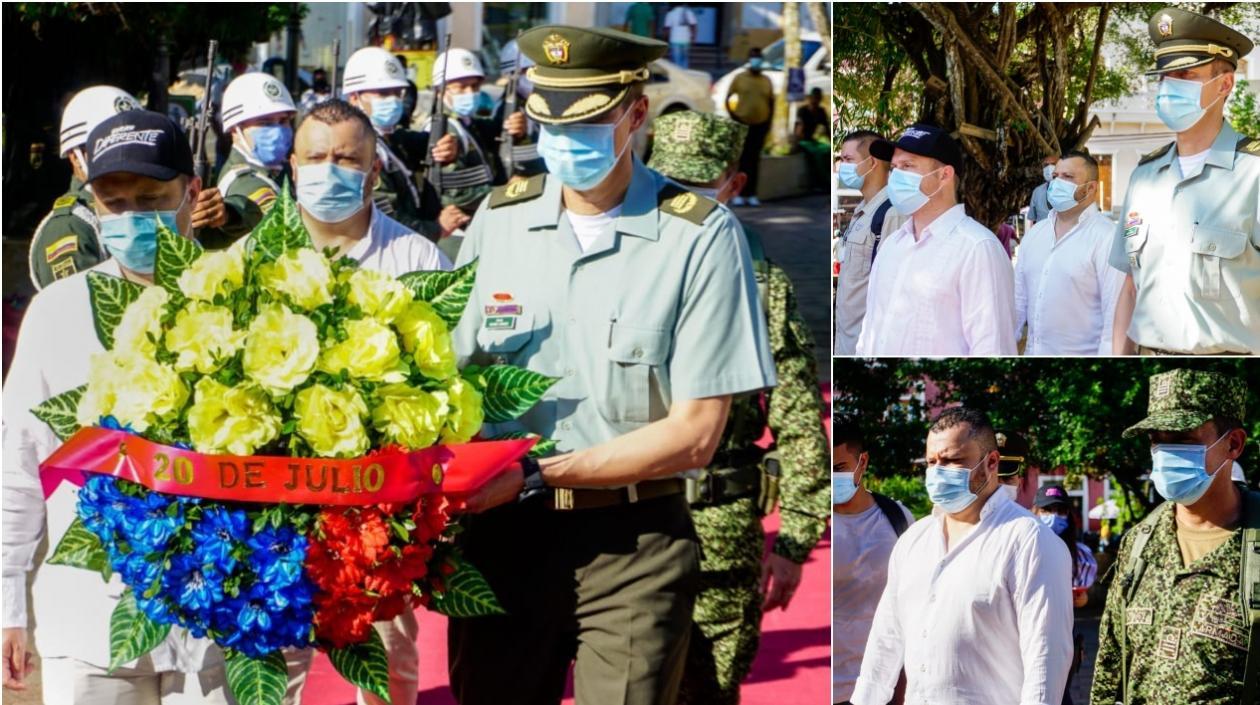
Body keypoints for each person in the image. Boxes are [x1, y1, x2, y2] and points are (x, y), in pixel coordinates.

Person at [445, 25, 775, 705]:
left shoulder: (700, 237)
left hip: (634, 545)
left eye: (588, 122)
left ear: (635, 114)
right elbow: (444, 379)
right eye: (548, 121)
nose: (565, 141)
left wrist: (537, 474)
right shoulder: (498, 221)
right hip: (502, 542)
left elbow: (696, 433)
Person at [2, 110, 312, 704]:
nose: (131, 218)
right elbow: (16, 467)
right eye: (114, 204)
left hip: (223, 629)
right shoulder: (58, 312)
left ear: (192, 194)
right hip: (90, 617)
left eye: (151, 198)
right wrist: (7, 603)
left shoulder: (252, 305)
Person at [647, 109, 830, 705]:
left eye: (697, 186)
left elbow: (800, 422)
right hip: (618, 531)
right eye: (668, 185)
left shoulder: (759, 283)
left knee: (710, 689)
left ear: (732, 186)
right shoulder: (611, 271)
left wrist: (797, 542)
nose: (681, 202)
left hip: (717, 535)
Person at [288, 98, 449, 705]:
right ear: (293, 167)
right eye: (316, 158)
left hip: (381, 511)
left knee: (388, 661)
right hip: (280, 505)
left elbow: (445, 381)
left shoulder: (417, 260)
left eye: (346, 158)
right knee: (271, 660)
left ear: (375, 170)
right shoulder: (253, 262)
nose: (330, 170)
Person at [852, 407, 1074, 705]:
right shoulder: (914, 541)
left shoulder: (1028, 541)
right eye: (932, 462)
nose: (938, 472)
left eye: (953, 460)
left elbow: (1046, 660)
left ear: (991, 462)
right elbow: (885, 640)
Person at [1091, 368, 1257, 704]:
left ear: (1233, 444)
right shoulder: (1139, 544)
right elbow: (1109, 671)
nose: (1165, 454)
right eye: (1156, 440)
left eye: (1183, 439)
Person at [1110, 7, 1259, 355]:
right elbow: (1131, 287)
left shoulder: (1252, 174)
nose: (1168, 87)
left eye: (1186, 75)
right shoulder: (1144, 177)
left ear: (1224, 84)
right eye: (1164, 77)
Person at [855, 124, 1017, 356]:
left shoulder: (977, 249)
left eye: (908, 166)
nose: (897, 176)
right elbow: (870, 331)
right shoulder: (892, 245)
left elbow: (992, 347)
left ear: (944, 175)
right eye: (894, 168)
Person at [342, 46, 461, 244]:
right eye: (383, 93)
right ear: (355, 98)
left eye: (398, 93)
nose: (394, 100)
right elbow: (386, 217)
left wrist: (450, 146)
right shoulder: (359, 149)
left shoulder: (390, 137)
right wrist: (437, 228)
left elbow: (428, 142)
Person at [830, 421, 913, 705]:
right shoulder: (810, 528)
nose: (830, 477)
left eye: (838, 468)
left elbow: (912, 612)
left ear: (862, 461)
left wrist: (902, 692)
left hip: (880, 689)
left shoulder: (899, 519)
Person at [28, 85, 141, 289]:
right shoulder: (70, 227)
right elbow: (82, 312)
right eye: (107, 146)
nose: (126, 156)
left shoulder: (141, 208)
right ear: (75, 156)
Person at [1014, 151, 1124, 355]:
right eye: (1056, 176)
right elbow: (1018, 302)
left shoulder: (1107, 238)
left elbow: (1115, 318)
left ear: (1090, 188)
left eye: (1068, 177)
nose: (1057, 184)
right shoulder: (1035, 235)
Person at [832, 129, 905, 356]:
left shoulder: (892, 213)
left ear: (872, 162)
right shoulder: (862, 211)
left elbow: (893, 290)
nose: (840, 166)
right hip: (846, 338)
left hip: (866, 345)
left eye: (848, 159)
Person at [214, 72, 297, 246]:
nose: (278, 130)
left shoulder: (278, 169)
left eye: (283, 120)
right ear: (235, 129)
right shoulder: (244, 181)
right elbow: (287, 230)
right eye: (265, 123)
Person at [1032, 484, 1096, 705]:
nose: (1054, 516)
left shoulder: (1079, 553)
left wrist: (1080, 598)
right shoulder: (1021, 546)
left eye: (1060, 511)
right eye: (1047, 510)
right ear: (1035, 512)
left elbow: (1082, 597)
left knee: (1060, 695)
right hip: (1023, 636)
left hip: (1061, 638)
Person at [420, 48, 496, 220]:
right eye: (461, 87)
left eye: (475, 86)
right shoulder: (445, 128)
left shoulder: (468, 122)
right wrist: (503, 194)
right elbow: (457, 194)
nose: (469, 93)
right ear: (440, 90)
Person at [727, 47, 774, 207]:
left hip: (760, 126)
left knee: (754, 161)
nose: (756, 61)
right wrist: (735, 118)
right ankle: (737, 194)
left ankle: (752, 193)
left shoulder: (766, 80)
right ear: (749, 59)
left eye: (758, 58)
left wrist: (768, 124)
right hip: (742, 124)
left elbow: (771, 102)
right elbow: (728, 98)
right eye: (753, 57)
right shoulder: (739, 78)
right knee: (741, 160)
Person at [492, 39, 544, 182]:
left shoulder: (542, 102)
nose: (535, 77)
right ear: (511, 75)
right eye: (527, 71)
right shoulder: (504, 110)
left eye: (540, 70)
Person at [795, 88, 830, 191]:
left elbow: (826, 128)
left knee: (826, 149)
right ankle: (819, 183)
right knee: (816, 154)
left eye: (818, 98)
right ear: (810, 98)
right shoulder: (802, 110)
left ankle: (826, 180)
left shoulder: (820, 111)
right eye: (814, 98)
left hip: (812, 140)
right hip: (802, 141)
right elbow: (798, 128)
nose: (815, 100)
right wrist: (796, 142)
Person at [995, 430, 1030, 504]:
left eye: (1007, 479)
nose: (1000, 485)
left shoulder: (1026, 516)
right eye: (993, 479)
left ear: (1020, 483)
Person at [663, 3, 698, 68]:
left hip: (674, 39)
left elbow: (667, 28)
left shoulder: (671, 13)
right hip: (686, 39)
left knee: (676, 60)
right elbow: (694, 26)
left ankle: (677, 76)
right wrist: (693, 37)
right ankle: (685, 75)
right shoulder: (689, 12)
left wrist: (666, 38)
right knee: (685, 59)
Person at [1027, 155, 1056, 226]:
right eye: (1046, 165)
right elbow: (1032, 219)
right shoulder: (1037, 191)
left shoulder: (1069, 190)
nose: (1049, 168)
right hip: (1042, 234)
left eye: (1053, 164)